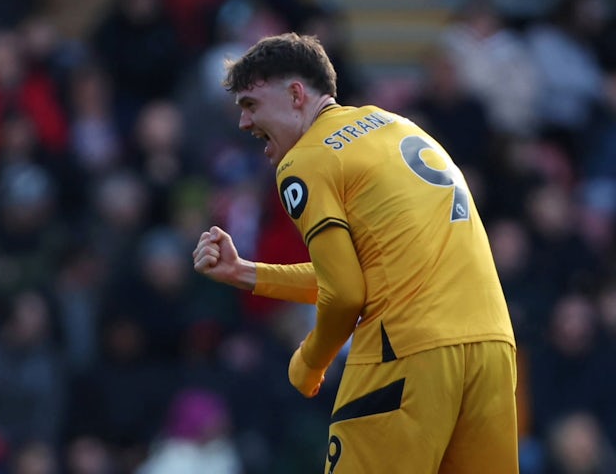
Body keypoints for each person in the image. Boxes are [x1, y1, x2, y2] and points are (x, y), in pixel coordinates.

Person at [192, 32, 518, 473]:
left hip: (404, 353)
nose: (244, 123)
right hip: (491, 349)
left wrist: (310, 361)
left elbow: (345, 293)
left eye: (251, 105)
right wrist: (247, 273)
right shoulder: (398, 126)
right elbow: (371, 270)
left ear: (295, 94)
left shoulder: (305, 159)